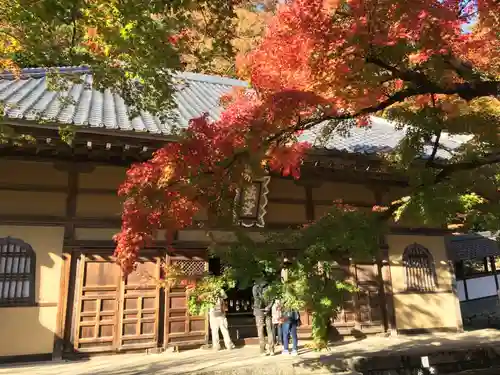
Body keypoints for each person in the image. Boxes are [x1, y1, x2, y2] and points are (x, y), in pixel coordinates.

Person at [252, 279, 275, 356]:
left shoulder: (255, 287)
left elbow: (256, 298)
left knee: (260, 330)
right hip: (266, 310)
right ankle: (271, 350)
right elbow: (272, 299)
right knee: (269, 330)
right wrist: (268, 307)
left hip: (259, 310)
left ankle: (262, 350)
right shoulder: (269, 287)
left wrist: (264, 307)